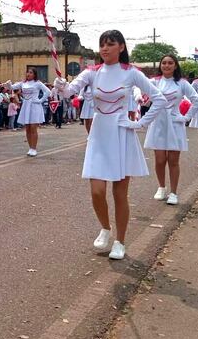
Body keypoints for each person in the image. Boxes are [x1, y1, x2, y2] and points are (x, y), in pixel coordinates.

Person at [56, 30, 166, 260]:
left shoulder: (131, 73)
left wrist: (139, 124)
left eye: (110, 44)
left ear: (122, 47)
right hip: (99, 135)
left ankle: (120, 241)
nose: (105, 48)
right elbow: (69, 92)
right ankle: (105, 228)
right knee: (96, 191)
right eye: (102, 45)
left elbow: (159, 99)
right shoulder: (92, 72)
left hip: (121, 135)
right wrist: (60, 86)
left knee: (119, 194)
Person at [144, 55, 198, 206]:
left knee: (173, 161)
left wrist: (186, 117)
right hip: (158, 123)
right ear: (160, 65)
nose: (167, 65)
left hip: (175, 124)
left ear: (175, 66)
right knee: (160, 159)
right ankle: (161, 187)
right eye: (164, 63)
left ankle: (174, 192)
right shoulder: (154, 82)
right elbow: (138, 89)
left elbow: (197, 100)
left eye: (170, 63)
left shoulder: (182, 83)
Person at [7, 68, 51, 157]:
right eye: (27, 72)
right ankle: (30, 148)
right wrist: (8, 83)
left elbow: (48, 91)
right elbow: (11, 88)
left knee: (33, 128)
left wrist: (40, 100)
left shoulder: (38, 83)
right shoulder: (23, 83)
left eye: (30, 72)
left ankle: (34, 148)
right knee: (27, 128)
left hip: (34, 106)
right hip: (26, 106)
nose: (28, 74)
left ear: (34, 74)